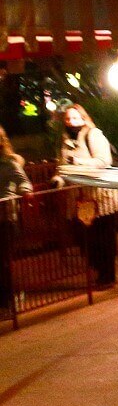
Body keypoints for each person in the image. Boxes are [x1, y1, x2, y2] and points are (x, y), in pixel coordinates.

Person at [53, 104, 118, 288]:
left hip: (100, 196)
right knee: (85, 239)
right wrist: (58, 179)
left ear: (83, 118)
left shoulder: (93, 135)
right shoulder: (65, 141)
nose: (71, 122)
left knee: (103, 237)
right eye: (68, 119)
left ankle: (107, 275)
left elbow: (103, 161)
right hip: (80, 199)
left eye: (75, 118)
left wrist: (78, 162)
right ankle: (99, 271)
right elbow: (62, 166)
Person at [0, 124, 31, 310]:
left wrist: (25, 191)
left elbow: (24, 182)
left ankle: (9, 297)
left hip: (5, 217)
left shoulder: (9, 163)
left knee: (4, 260)